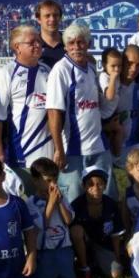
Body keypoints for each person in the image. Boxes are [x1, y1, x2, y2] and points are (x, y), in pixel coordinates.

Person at [46, 23, 116, 203]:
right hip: (73, 150)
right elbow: (54, 112)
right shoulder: (60, 70)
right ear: (66, 46)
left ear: (88, 44)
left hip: (99, 146)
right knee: (73, 201)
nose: (76, 47)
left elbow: (98, 106)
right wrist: (59, 150)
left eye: (80, 42)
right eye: (71, 43)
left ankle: (108, 231)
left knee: (107, 198)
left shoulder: (92, 69)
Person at [0, 25, 53, 195]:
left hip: (49, 153)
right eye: (31, 42)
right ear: (17, 47)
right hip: (21, 155)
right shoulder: (6, 74)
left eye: (39, 41)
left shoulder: (47, 71)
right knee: (26, 207)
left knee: (48, 204)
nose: (37, 45)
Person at [26, 158, 75, 278]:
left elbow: (68, 220)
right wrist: (51, 203)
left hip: (64, 247)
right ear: (35, 181)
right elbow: (41, 224)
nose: (53, 184)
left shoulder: (61, 198)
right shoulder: (31, 203)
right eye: (48, 181)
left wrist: (59, 202)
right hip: (44, 250)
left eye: (55, 179)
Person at [71, 167, 125, 278]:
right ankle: (84, 268)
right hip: (84, 244)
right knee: (76, 231)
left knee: (116, 274)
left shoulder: (111, 204)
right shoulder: (76, 205)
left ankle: (95, 262)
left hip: (103, 243)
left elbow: (115, 234)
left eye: (99, 184)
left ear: (105, 186)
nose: (95, 188)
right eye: (90, 184)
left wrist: (117, 258)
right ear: (84, 186)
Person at [35, 0, 65, 68]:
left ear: (60, 18)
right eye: (47, 16)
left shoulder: (70, 44)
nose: (52, 19)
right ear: (39, 19)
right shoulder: (33, 45)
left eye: (55, 15)